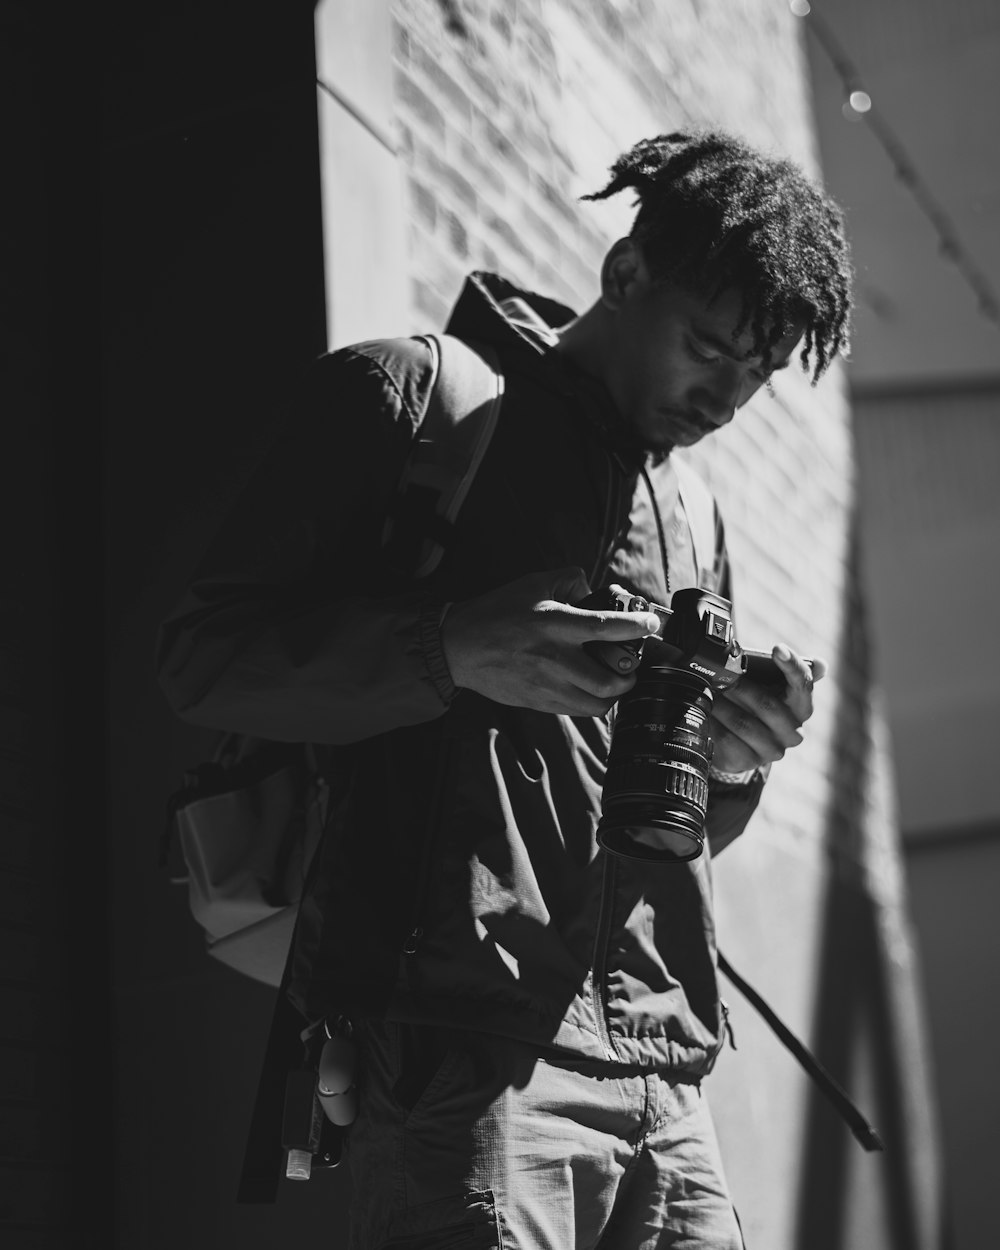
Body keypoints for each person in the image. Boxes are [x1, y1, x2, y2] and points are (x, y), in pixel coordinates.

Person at [157, 130, 852, 1248]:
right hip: (463, 1062)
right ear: (624, 277)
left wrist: (734, 761)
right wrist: (453, 647)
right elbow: (204, 660)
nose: (726, 396)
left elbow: (673, 830)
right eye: (708, 348)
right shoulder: (414, 401)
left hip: (667, 1080)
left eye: (757, 374)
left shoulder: (693, 519)